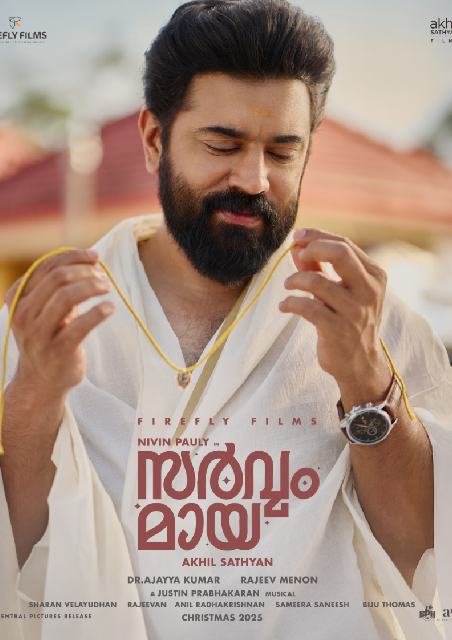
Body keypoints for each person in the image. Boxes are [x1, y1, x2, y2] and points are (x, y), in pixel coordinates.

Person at [1, 1, 451, 639]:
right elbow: (15, 564)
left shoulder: (368, 322)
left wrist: (367, 382)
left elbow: (428, 561)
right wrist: (34, 400)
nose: (254, 179)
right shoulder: (42, 324)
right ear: (155, 140)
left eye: (283, 152)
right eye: (223, 145)